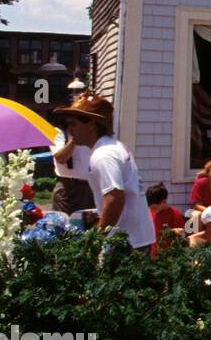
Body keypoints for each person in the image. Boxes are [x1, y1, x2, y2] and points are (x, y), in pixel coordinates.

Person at [52, 94, 155, 252]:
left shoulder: (103, 155)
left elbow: (114, 198)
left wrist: (98, 240)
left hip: (126, 242)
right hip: (134, 237)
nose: (70, 131)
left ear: (92, 124)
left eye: (73, 124)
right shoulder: (113, 146)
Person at [48, 128, 95, 215]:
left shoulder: (91, 133)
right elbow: (61, 158)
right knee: (65, 223)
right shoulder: (57, 132)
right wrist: (74, 139)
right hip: (68, 189)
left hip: (91, 187)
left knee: (90, 225)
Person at [147, 182, 184, 255]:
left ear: (163, 202)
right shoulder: (150, 212)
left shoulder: (175, 214)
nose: (152, 210)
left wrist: (174, 232)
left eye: (154, 208)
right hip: (154, 254)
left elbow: (182, 233)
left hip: (168, 255)